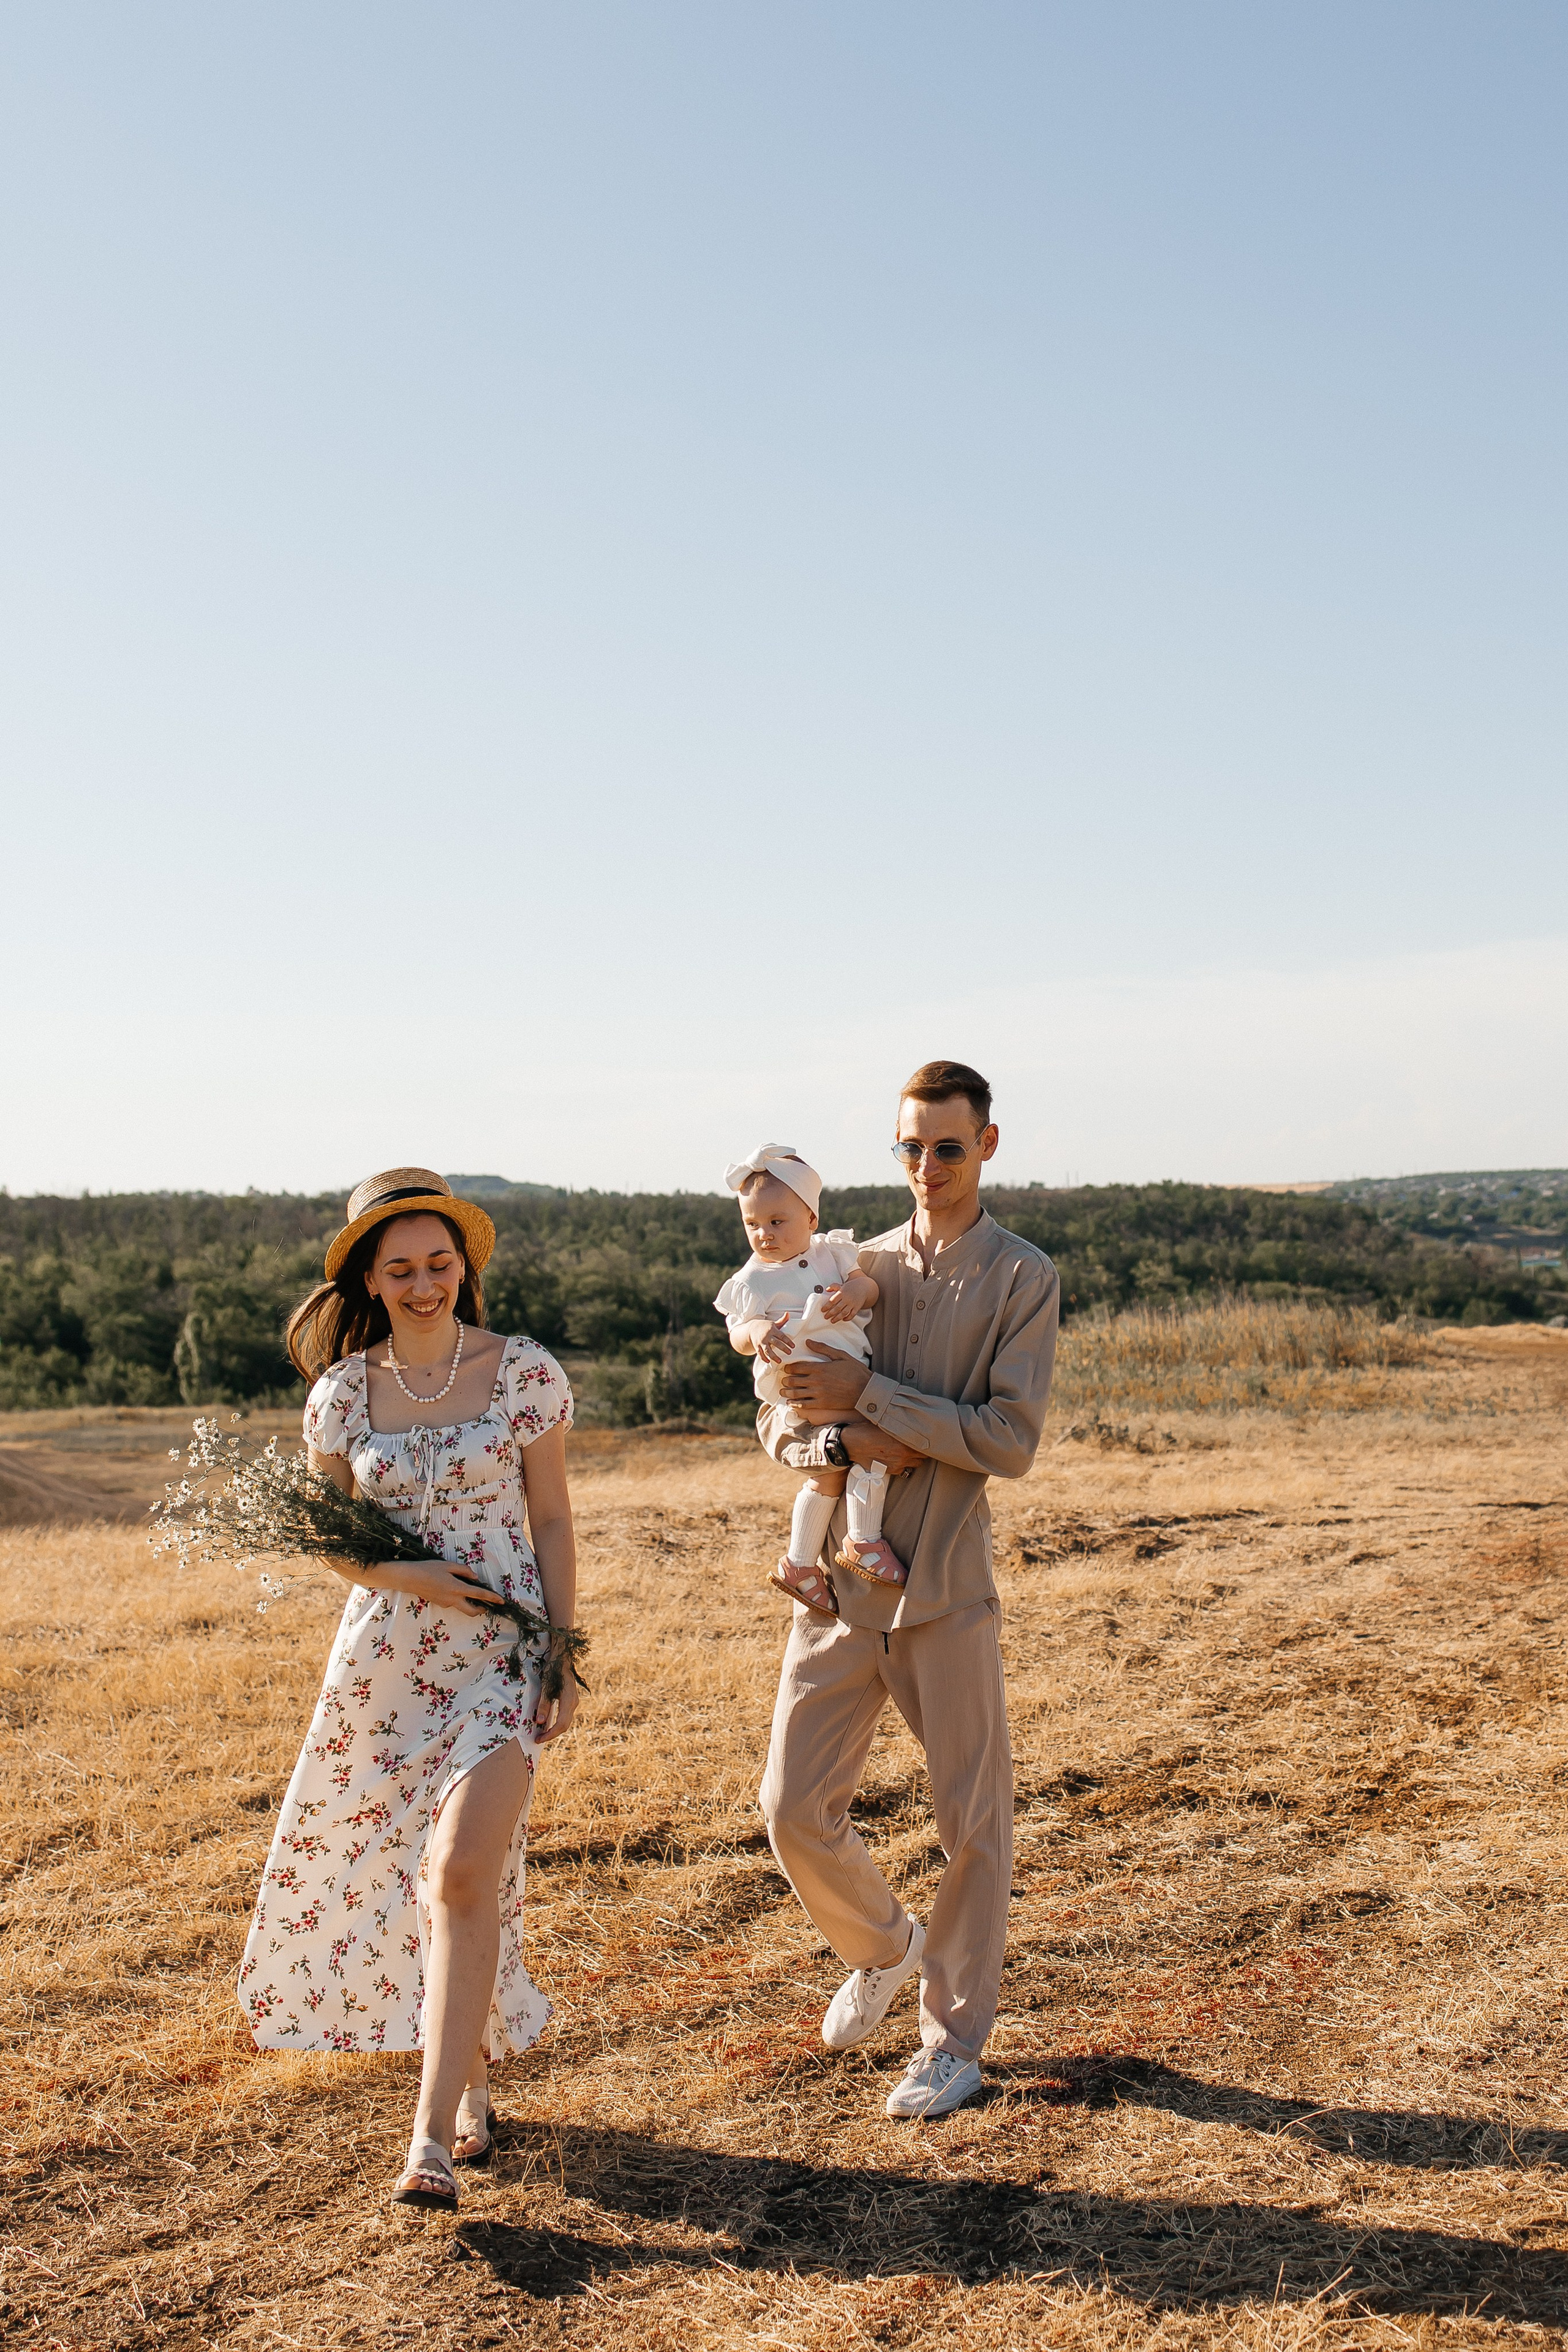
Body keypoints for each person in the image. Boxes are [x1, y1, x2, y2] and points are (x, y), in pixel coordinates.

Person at [238, 1168, 583, 2212]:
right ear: (371, 1280)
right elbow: (337, 1544)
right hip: (387, 1666)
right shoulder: (344, 1395)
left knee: (461, 1869)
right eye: (404, 1269)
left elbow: (554, 1519)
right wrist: (411, 1575)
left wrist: (559, 1651)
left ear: (463, 1267)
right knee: (408, 1872)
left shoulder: (523, 1373)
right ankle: (467, 2072)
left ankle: (428, 2142)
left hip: (501, 1657)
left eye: (442, 1263)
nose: (427, 1283)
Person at [756, 1063, 1058, 2120]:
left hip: (946, 1593)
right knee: (790, 1807)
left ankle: (953, 2041)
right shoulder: (845, 1264)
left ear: (986, 1146)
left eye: (947, 1147)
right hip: (839, 1587)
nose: (927, 1167)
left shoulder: (1024, 1278)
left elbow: (1007, 1442)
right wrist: (840, 1431)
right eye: (911, 1149)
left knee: (973, 1824)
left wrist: (874, 1397)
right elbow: (780, 1412)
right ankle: (884, 1947)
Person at [715, 1144, 907, 1610]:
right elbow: (736, 1334)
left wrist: (857, 1291)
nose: (764, 1234)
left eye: (777, 1222)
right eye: (752, 1224)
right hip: (803, 1384)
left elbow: (871, 1286)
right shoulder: (752, 1281)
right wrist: (757, 1330)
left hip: (846, 1375)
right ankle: (863, 1539)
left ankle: (800, 1564)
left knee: (830, 1476)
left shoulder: (834, 1254)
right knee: (873, 1441)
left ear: (811, 1220)